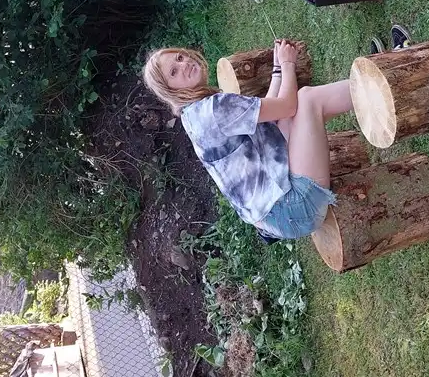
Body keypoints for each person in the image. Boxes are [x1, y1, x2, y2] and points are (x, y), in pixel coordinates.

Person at [142, 39, 351, 239]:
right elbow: (288, 105)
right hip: (293, 209)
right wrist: (288, 64)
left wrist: (278, 69)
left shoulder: (194, 114)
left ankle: (370, 89)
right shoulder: (213, 110)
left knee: (293, 115)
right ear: (171, 91)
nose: (184, 64)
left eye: (180, 58)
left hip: (278, 215)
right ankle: (379, 84)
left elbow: (271, 110)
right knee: (308, 99)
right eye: (174, 72)